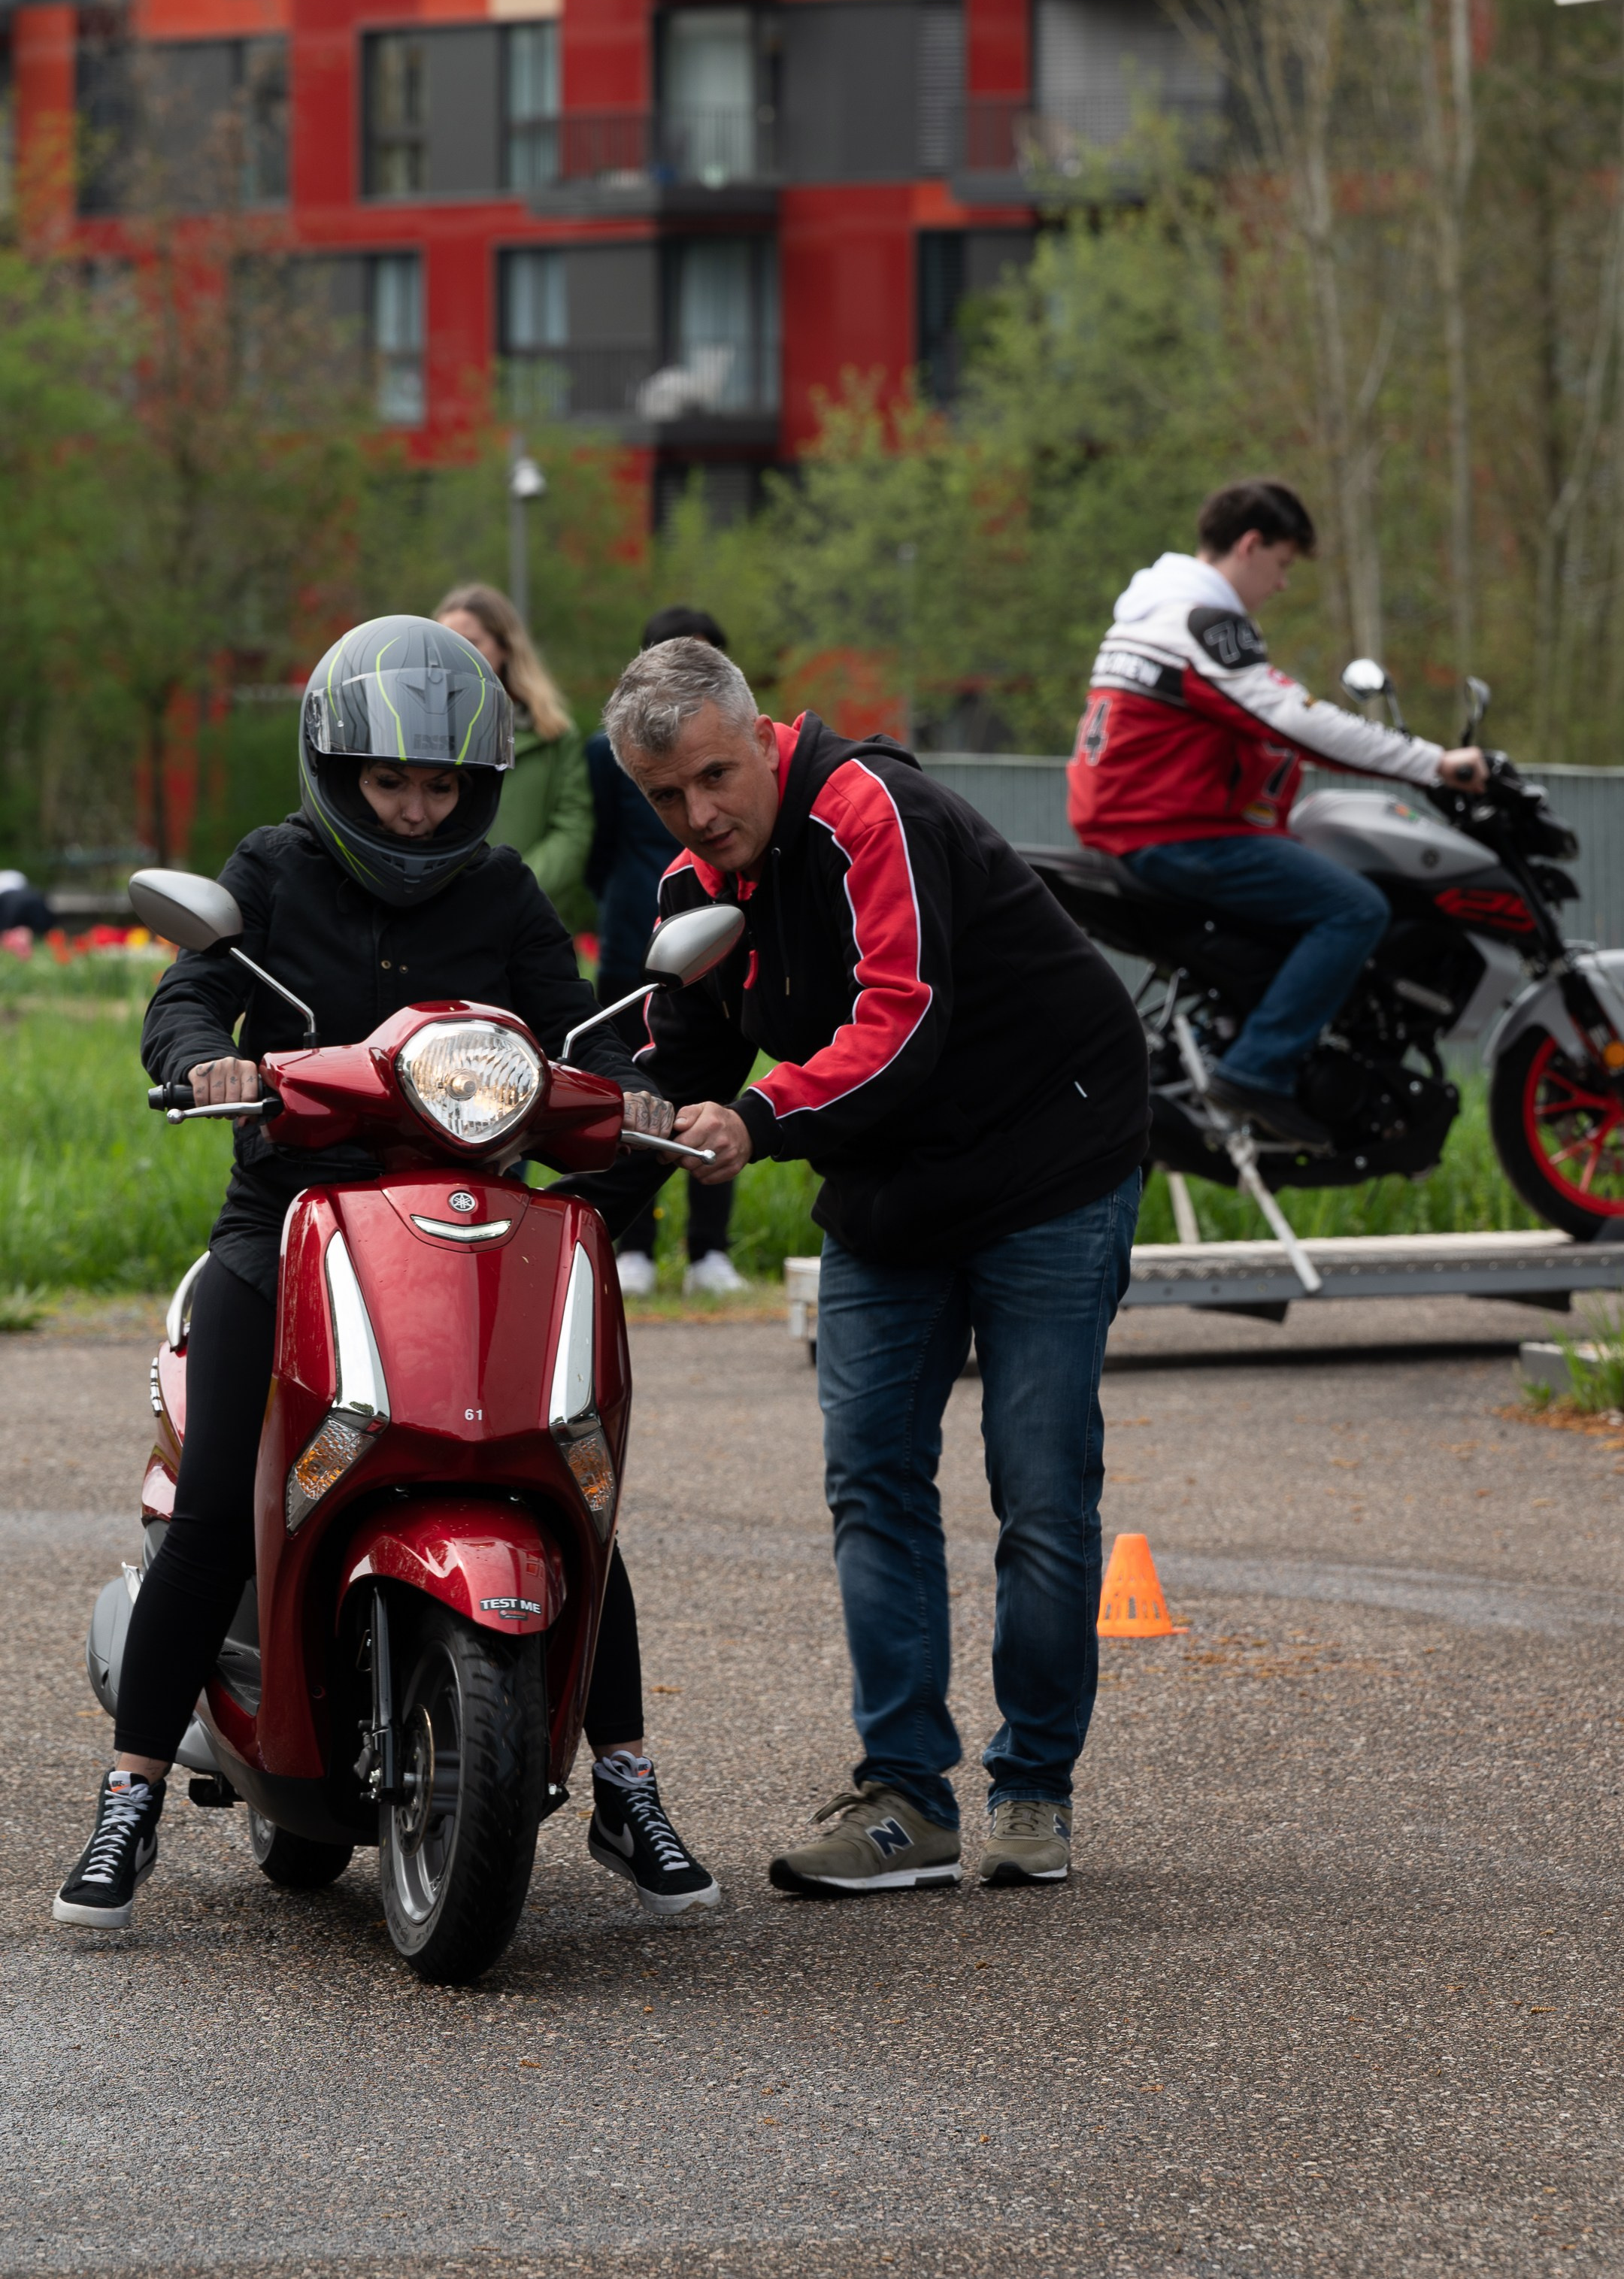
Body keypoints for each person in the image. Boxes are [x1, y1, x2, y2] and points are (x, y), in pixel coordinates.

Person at [52, 616, 718, 1933]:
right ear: (337, 772)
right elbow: (190, 991)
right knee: (218, 1510)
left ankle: (625, 1782)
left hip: (475, 1215)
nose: (415, 813)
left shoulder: (504, 892)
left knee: (566, 1473)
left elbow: (577, 1024)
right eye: (390, 784)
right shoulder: (275, 870)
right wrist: (204, 1060)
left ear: (475, 789)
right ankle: (128, 1795)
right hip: (290, 1222)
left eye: (439, 789)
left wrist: (643, 1103)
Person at [583, 636, 1150, 1893]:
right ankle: (905, 1798)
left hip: (1051, 1153)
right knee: (873, 1481)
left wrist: (766, 1117)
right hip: (898, 1186)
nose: (701, 815)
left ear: (762, 737)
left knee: (1041, 1487)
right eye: (666, 797)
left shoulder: (867, 810)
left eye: (717, 777)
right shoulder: (693, 899)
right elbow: (673, 1077)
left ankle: (1034, 1787)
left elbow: (903, 1023)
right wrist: (551, 1192)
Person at [1068, 478, 1490, 1148]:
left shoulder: (1148, 613)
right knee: (1355, 908)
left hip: (1135, 826)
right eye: (1284, 565)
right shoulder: (1204, 622)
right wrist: (1433, 762)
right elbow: (1298, 722)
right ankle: (1258, 1070)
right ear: (1250, 544)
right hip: (1172, 834)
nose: (1283, 585)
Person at [586, 604, 744, 1299]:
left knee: (716, 1091)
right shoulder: (605, 757)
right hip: (633, 942)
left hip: (722, 935)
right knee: (638, 1093)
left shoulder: (736, 766)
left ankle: (710, 1248)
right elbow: (598, 849)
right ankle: (633, 1245)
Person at [436, 582, 595, 934]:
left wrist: (507, 889)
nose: (456, 656)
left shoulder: (553, 734)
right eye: (446, 644)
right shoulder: (417, 731)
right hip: (437, 918)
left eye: (472, 642)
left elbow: (572, 831)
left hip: (527, 922)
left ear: (506, 647)